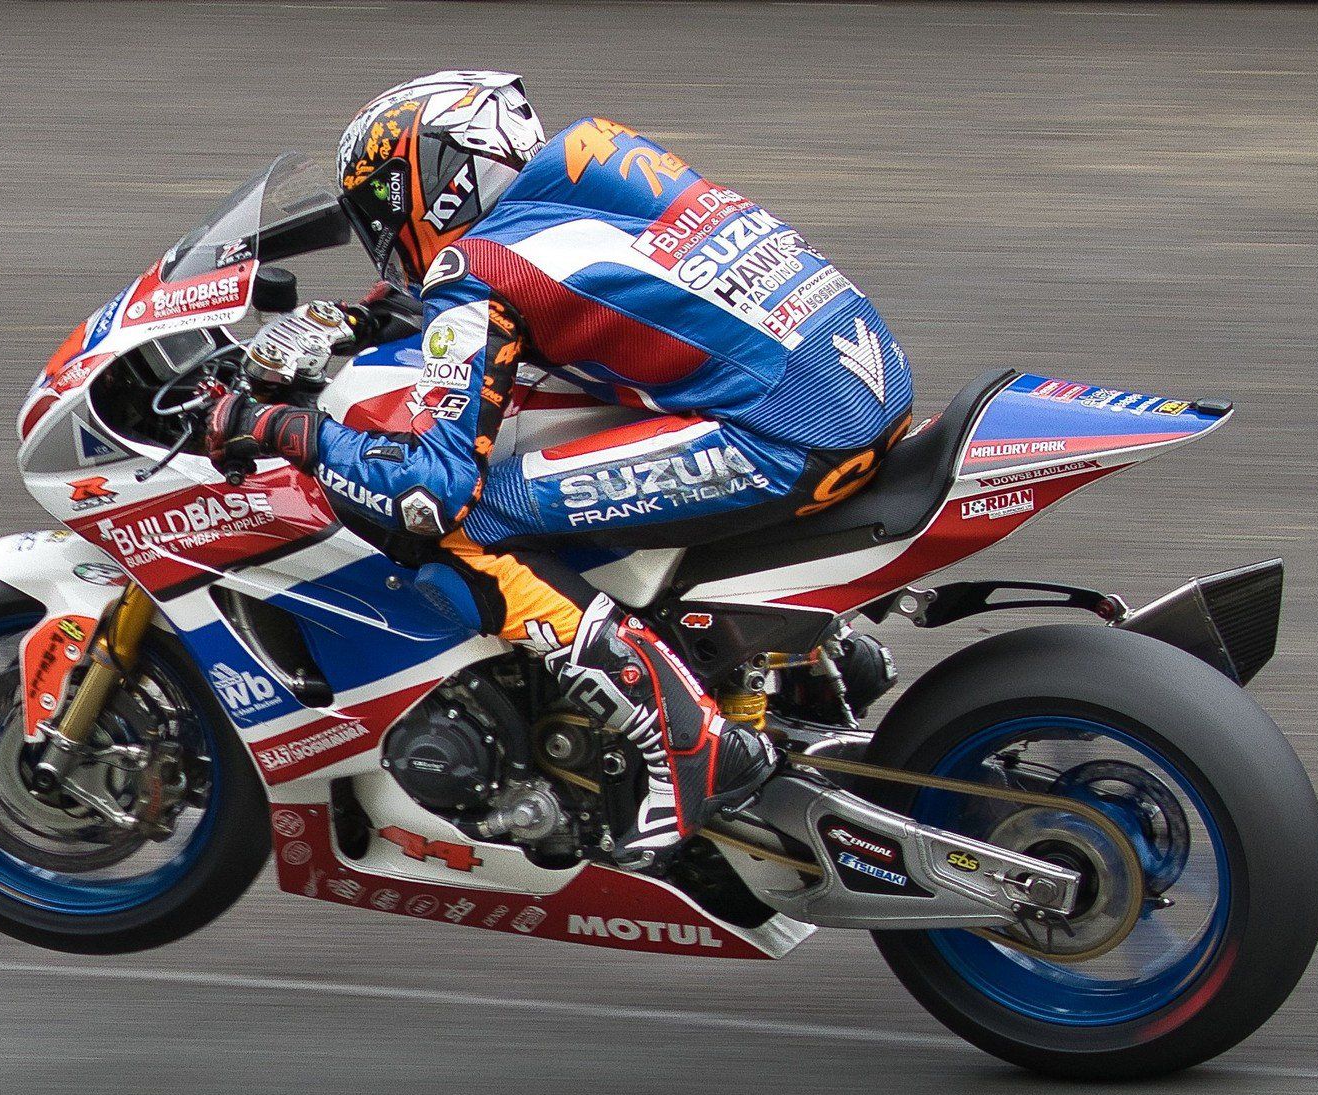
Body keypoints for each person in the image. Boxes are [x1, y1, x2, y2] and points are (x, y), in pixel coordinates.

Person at [207, 70, 913, 869]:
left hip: (785, 433)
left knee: (468, 527)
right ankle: (822, 661)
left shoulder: (475, 266)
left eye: (382, 207)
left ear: (434, 186)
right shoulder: (598, 154)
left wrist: (278, 426)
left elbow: (429, 488)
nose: (383, 231)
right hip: (862, 374)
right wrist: (377, 314)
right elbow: (589, 283)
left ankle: (687, 743)